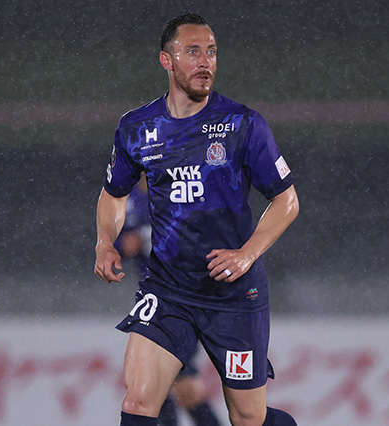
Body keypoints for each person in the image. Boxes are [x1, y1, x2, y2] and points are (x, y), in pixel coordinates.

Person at [94, 12, 299, 426]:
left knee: (248, 417)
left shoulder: (243, 124)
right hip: (168, 289)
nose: (205, 61)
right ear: (166, 60)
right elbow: (113, 194)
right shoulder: (137, 128)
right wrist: (104, 242)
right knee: (138, 402)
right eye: (192, 52)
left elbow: (287, 201)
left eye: (211, 52)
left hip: (233, 294)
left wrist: (246, 254)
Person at [115, 178, 222, 426]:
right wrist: (121, 245)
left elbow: (202, 234)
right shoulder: (127, 198)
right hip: (155, 300)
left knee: (173, 384)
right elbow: (114, 242)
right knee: (159, 383)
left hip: (187, 297)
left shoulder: (181, 188)